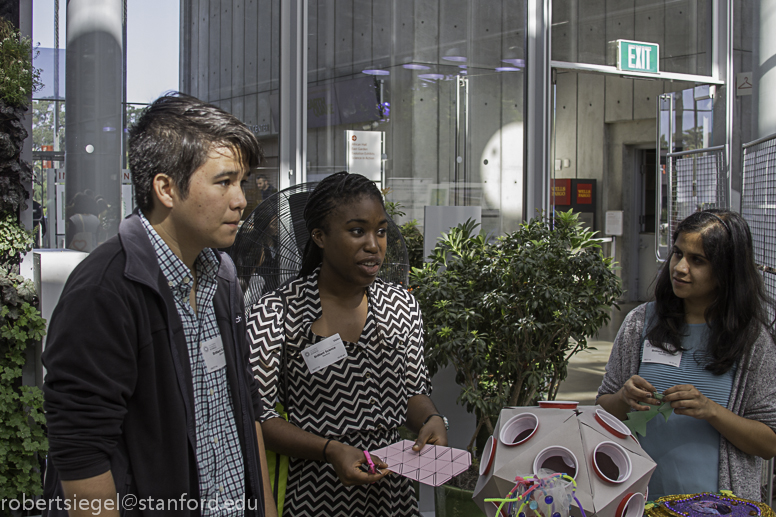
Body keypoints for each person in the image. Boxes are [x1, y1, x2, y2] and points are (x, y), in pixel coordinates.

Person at [42, 93, 277, 517]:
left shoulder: (221, 277)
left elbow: (247, 406)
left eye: (242, 182)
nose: (241, 200)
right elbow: (80, 450)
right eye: (224, 182)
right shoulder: (106, 288)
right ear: (166, 188)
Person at [246, 171, 448, 516]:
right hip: (314, 496)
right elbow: (259, 417)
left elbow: (412, 391)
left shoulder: (402, 305)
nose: (373, 244)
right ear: (320, 236)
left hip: (393, 495)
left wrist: (432, 418)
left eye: (381, 231)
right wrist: (331, 450)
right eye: (357, 231)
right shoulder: (277, 313)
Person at [597, 209, 776, 501]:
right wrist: (622, 399)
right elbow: (602, 410)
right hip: (638, 502)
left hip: (720, 506)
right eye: (677, 254)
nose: (679, 268)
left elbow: (769, 443)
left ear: (726, 270)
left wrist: (712, 411)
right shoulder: (640, 323)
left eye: (697, 260)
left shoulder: (752, 341)